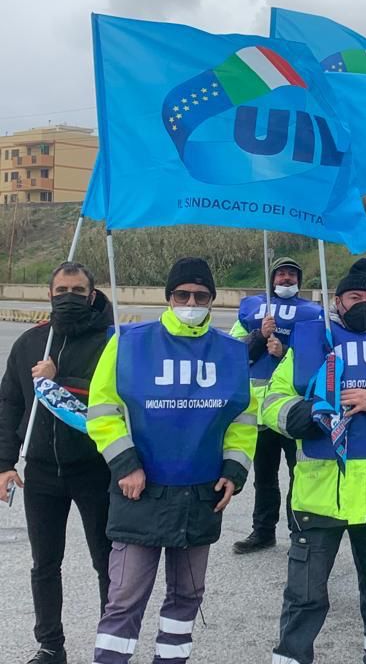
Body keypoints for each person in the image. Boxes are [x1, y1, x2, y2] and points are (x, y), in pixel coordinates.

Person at [262, 258, 366, 664]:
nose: (364, 303)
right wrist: (313, 413)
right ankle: (292, 655)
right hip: (319, 495)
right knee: (305, 592)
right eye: (355, 296)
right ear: (337, 302)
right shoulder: (309, 342)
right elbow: (272, 403)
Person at [86, 257, 257, 664]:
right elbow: (102, 410)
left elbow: (243, 419)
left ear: (213, 300)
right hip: (140, 492)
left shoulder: (231, 353)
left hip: (200, 496)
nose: (191, 301)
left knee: (187, 599)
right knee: (125, 598)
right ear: (169, 297)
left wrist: (234, 471)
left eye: (200, 295)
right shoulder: (128, 341)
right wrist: (126, 465)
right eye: (183, 294)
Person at [0, 262, 114, 664]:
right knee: (44, 564)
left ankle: (112, 641)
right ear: (49, 294)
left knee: (107, 561)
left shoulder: (109, 344)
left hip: (94, 469)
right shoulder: (31, 343)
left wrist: (56, 381)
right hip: (42, 474)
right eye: (61, 289)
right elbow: (9, 404)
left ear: (92, 295)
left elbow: (111, 407)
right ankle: (50, 646)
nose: (69, 297)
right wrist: (5, 463)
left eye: (77, 290)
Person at [231, 256, 322, 554]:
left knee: (300, 474)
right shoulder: (251, 312)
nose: (285, 279)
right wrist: (260, 334)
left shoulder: (312, 315)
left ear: (299, 281)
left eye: (291, 275)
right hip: (260, 414)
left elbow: (315, 360)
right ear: (272, 279)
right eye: (281, 274)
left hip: (294, 411)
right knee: (265, 477)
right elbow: (234, 355)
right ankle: (263, 531)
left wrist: (284, 352)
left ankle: (299, 530)